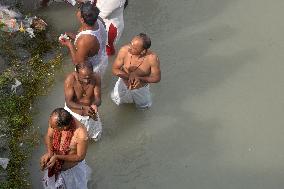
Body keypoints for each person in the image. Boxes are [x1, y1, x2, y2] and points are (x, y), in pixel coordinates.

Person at [40, 108, 90, 189]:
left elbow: (80, 157)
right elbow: (49, 136)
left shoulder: (81, 134)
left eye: (53, 127)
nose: (51, 127)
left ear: (64, 128)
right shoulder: (53, 122)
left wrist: (57, 157)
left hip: (71, 172)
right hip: (54, 165)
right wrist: (50, 153)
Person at [111, 33, 161, 109]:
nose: (130, 48)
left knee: (143, 108)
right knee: (116, 101)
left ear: (143, 51)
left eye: (134, 48)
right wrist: (129, 76)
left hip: (140, 89)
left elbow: (157, 78)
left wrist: (140, 79)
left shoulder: (152, 58)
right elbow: (115, 69)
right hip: (123, 84)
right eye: (130, 44)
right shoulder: (124, 50)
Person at [60, 1, 108, 77]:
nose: (77, 11)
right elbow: (90, 44)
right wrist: (75, 37)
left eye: (79, 10)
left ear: (82, 19)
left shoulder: (85, 40)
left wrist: (69, 44)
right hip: (102, 58)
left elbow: (78, 63)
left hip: (90, 71)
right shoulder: (97, 20)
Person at [64, 62, 103, 141]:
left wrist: (95, 105)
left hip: (90, 114)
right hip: (74, 115)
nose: (87, 81)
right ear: (76, 73)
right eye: (84, 78)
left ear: (92, 72)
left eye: (89, 77)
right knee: (75, 141)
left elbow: (98, 98)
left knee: (97, 137)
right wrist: (83, 108)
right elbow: (68, 102)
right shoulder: (70, 80)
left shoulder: (96, 78)